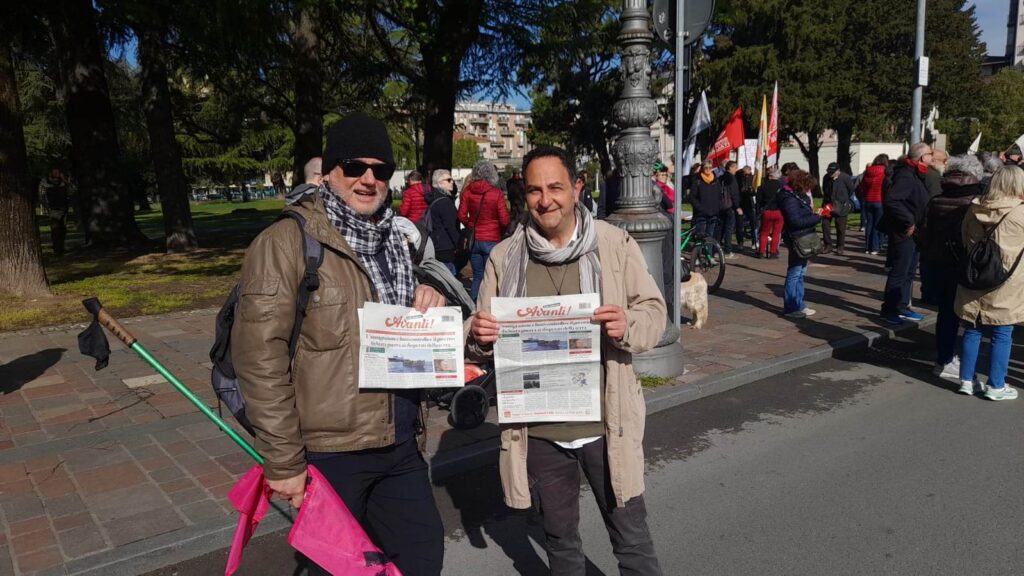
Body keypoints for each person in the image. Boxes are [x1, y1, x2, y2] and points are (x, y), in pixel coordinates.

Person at [231, 112, 446, 576]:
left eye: (381, 170)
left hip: (400, 439)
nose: (368, 179)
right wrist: (283, 460)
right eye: (354, 166)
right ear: (329, 172)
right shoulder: (287, 243)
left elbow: (398, 324)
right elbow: (259, 358)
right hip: (329, 453)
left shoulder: (397, 241)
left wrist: (426, 297)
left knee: (423, 558)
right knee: (340, 570)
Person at [467, 145, 666, 576]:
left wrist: (627, 322)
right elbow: (479, 333)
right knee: (561, 545)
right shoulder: (505, 257)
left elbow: (655, 313)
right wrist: (478, 335)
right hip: (539, 433)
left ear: (576, 188)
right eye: (535, 190)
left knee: (631, 540)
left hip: (605, 425)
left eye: (555, 187)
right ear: (524, 194)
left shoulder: (613, 243)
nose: (546, 199)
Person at [954, 165, 1024, 400]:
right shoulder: (1019, 212)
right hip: (1007, 280)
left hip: (974, 275)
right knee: (1002, 332)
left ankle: (966, 379)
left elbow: (964, 238)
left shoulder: (975, 208)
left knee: (972, 328)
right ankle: (996, 385)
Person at [920, 155, 984, 382]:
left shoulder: (936, 199)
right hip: (967, 265)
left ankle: (944, 359)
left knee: (946, 314)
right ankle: (961, 364)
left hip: (938, 262)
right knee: (971, 316)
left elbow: (924, 233)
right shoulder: (977, 201)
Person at [880, 143, 933, 324]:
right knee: (899, 271)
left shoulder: (917, 174)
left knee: (909, 272)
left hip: (916, 231)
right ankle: (889, 309)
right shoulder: (906, 175)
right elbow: (892, 200)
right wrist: (908, 220)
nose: (932, 158)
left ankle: (903, 306)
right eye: (930, 154)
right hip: (904, 232)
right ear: (921, 157)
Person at [458, 160, 510, 301]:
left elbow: (461, 215)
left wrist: (471, 226)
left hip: (474, 240)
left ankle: (474, 305)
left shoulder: (468, 191)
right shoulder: (496, 193)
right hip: (492, 239)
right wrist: (500, 231)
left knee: (477, 276)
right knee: (492, 277)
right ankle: (489, 306)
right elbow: (505, 219)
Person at [778, 170, 821, 318]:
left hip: (803, 236)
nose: (809, 189)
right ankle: (790, 307)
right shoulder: (789, 198)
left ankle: (799, 303)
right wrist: (817, 217)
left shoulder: (797, 196)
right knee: (795, 272)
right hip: (797, 237)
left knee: (801, 272)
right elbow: (795, 221)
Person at [424, 169, 461, 275]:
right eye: (448, 180)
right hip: (446, 248)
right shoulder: (445, 202)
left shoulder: (434, 198)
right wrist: (458, 245)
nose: (452, 182)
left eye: (452, 179)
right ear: (439, 183)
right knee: (448, 282)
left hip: (436, 244)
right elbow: (451, 227)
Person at [821, 163, 855, 255]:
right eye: (829, 172)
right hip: (827, 204)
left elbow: (851, 189)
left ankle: (840, 246)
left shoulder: (845, 178)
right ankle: (828, 245)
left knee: (840, 227)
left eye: (832, 172)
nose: (830, 174)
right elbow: (824, 189)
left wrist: (843, 199)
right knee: (825, 225)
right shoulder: (826, 178)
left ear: (838, 171)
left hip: (841, 205)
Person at [859, 154, 889, 254]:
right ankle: (875, 247)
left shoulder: (868, 171)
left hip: (868, 200)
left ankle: (868, 247)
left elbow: (862, 186)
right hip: (879, 200)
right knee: (877, 225)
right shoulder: (885, 171)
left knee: (869, 224)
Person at [40, 169, 70, 256]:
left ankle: (61, 247)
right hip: (53, 209)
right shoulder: (45, 182)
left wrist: (64, 180)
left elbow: (71, 190)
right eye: (55, 172)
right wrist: (47, 208)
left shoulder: (63, 182)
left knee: (63, 229)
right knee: (55, 230)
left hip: (63, 208)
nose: (57, 174)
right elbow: (42, 196)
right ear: (51, 173)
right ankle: (57, 250)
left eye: (58, 172)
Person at [757, 166, 785, 259]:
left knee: (764, 232)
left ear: (770, 176)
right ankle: (773, 252)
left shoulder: (763, 185)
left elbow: (758, 200)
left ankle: (761, 251)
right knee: (776, 233)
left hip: (767, 210)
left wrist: (758, 210)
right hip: (779, 211)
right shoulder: (782, 187)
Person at [691, 160, 722, 240]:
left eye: (710, 167)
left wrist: (718, 207)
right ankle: (698, 252)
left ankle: (708, 252)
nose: (708, 169)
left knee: (710, 236)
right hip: (701, 214)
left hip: (713, 214)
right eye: (706, 168)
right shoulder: (697, 180)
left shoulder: (716, 181)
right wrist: (700, 208)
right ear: (702, 168)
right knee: (700, 236)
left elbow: (719, 196)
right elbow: (692, 197)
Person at [718, 161, 742, 258]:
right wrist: (737, 206)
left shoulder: (720, 178)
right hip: (729, 206)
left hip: (720, 206)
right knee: (729, 228)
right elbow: (734, 194)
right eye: (735, 167)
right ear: (730, 168)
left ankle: (717, 249)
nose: (736, 169)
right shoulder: (731, 178)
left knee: (720, 228)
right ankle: (727, 250)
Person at [738, 165, 759, 253]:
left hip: (751, 204)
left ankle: (754, 242)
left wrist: (751, 191)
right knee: (740, 225)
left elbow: (755, 190)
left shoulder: (754, 178)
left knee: (753, 224)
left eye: (746, 171)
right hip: (742, 203)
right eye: (744, 172)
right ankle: (740, 242)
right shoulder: (739, 177)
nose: (745, 173)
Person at [506, 167, 527, 232]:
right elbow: (509, 191)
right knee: (513, 216)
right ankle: (512, 229)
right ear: (513, 174)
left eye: (517, 173)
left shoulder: (522, 181)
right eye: (515, 173)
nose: (516, 175)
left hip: (520, 202)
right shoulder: (509, 182)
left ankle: (520, 228)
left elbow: (524, 191)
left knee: (520, 215)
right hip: (513, 201)